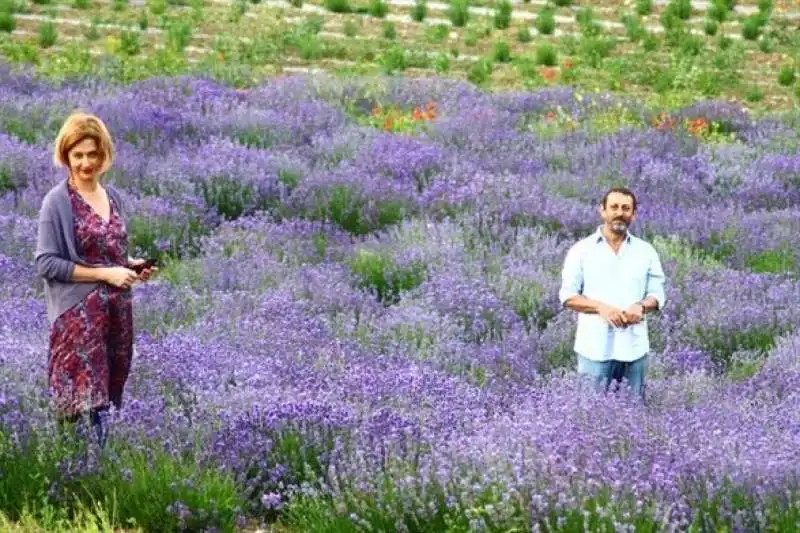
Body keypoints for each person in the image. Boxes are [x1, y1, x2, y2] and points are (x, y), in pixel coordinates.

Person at [34, 111, 157, 446]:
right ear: (66, 156)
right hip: (77, 320)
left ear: (104, 156)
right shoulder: (57, 202)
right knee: (80, 407)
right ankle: (77, 480)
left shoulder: (112, 197)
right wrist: (106, 274)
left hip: (115, 316)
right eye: (78, 155)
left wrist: (131, 268)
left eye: (93, 154)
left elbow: (110, 255)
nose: (85, 163)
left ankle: (98, 477)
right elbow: (47, 263)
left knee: (106, 401)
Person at [558, 187, 666, 401]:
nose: (619, 213)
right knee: (590, 414)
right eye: (614, 207)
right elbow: (568, 296)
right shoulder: (581, 250)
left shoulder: (645, 251)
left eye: (626, 208)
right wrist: (601, 308)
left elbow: (657, 292)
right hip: (595, 347)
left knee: (633, 412)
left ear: (633, 214)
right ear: (602, 211)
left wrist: (642, 306)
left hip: (633, 348)